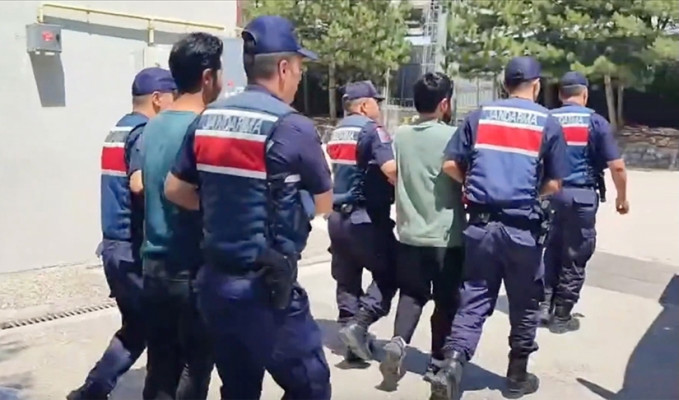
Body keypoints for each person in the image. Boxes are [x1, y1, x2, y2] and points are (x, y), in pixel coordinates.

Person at [164, 15, 333, 399]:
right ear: (284, 68)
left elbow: (175, 189)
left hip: (215, 285)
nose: (300, 77)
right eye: (299, 67)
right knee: (311, 385)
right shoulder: (292, 126)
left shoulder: (209, 118)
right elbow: (325, 202)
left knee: (239, 388)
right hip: (267, 289)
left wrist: (222, 207)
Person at [431, 56, 568, 400]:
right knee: (525, 304)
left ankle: (451, 365)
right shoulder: (548, 122)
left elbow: (450, 164)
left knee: (473, 299)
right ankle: (517, 377)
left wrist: (471, 186)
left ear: (505, 85)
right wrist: (529, 195)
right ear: (536, 86)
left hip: (480, 227)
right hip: (522, 230)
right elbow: (555, 183)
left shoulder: (479, 115)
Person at [68, 67, 175, 400]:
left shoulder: (118, 129)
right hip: (133, 249)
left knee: (138, 328)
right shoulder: (143, 133)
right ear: (157, 99)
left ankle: (92, 391)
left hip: (114, 247)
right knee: (162, 333)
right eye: (172, 97)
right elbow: (140, 184)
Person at [140, 33, 222, 399]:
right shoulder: (203, 128)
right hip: (189, 268)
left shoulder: (153, 124)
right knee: (195, 366)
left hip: (153, 265)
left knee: (161, 367)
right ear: (207, 77)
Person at [378, 72, 466, 389]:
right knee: (446, 301)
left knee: (412, 294)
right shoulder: (453, 136)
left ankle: (398, 341)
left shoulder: (401, 135)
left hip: (409, 233)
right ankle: (437, 363)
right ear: (444, 103)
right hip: (446, 235)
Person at [541, 71, 629, 332]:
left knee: (551, 249)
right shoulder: (596, 122)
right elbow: (617, 166)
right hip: (582, 197)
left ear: (560, 94)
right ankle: (562, 315)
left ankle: (544, 305)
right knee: (576, 253)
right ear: (585, 94)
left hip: (550, 195)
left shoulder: (547, 119)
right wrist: (622, 198)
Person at [325, 80, 398, 362]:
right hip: (365, 218)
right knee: (391, 272)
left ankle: (352, 344)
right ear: (365, 105)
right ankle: (361, 323)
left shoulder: (338, 130)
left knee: (347, 280)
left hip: (336, 217)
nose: (378, 107)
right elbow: (391, 169)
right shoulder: (372, 130)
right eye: (376, 102)